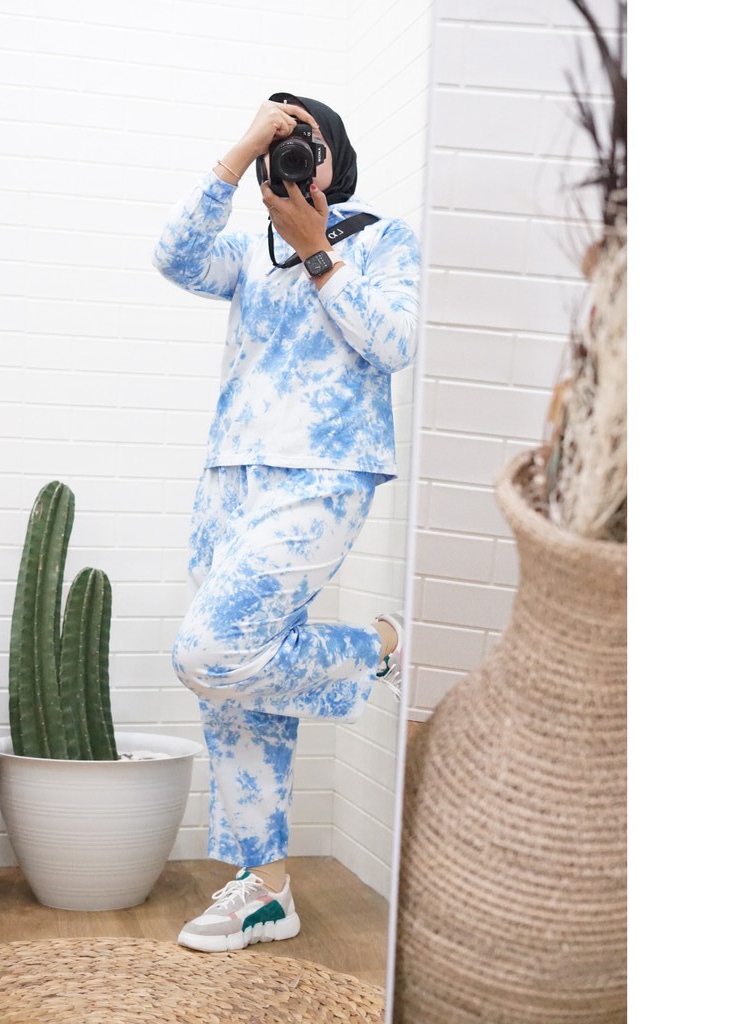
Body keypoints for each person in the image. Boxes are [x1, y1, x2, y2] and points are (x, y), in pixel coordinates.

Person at [151, 91, 420, 954]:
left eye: (306, 137)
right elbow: (172, 255)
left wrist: (318, 253)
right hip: (229, 478)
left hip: (326, 473)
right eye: (281, 141)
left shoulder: (383, 239)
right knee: (237, 684)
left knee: (209, 653)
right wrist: (239, 152)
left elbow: (394, 343)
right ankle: (264, 889)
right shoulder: (247, 250)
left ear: (335, 154)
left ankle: (376, 647)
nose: (294, 151)